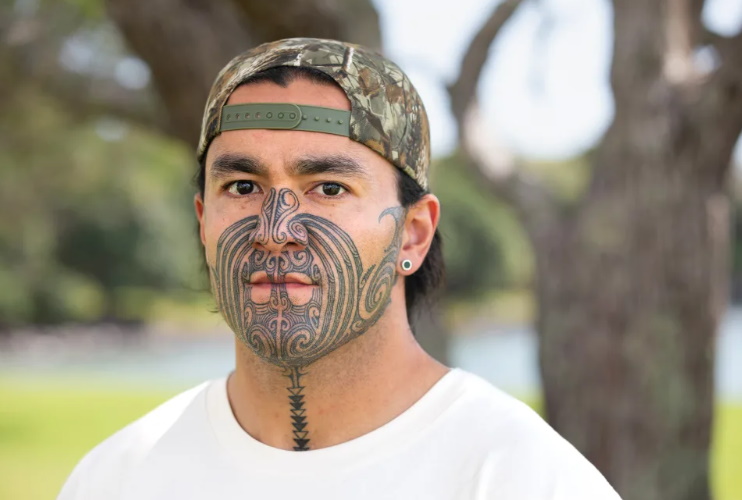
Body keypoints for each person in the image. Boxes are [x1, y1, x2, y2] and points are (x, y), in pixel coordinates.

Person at [57, 38, 621, 500]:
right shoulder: (116, 477)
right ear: (204, 221)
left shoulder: (520, 478)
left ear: (414, 233)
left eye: (328, 188)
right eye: (243, 186)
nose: (275, 231)